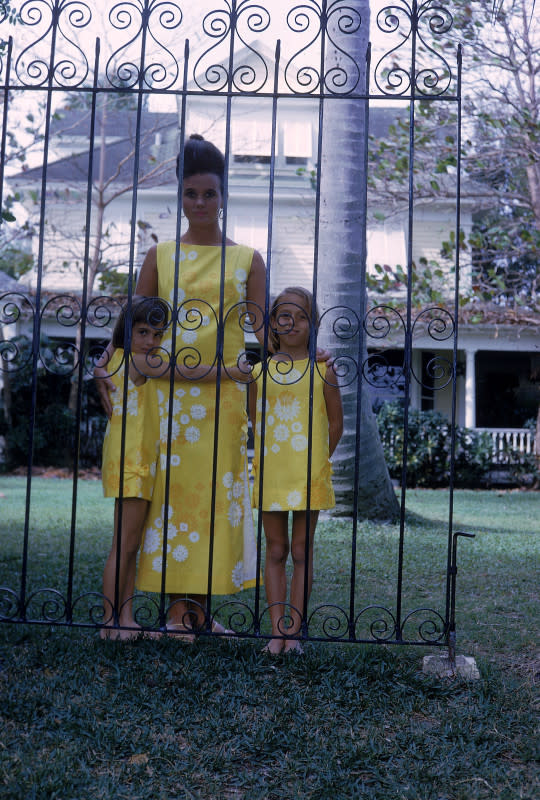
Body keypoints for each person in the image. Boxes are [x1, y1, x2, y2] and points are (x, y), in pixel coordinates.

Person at [96, 134, 266, 639]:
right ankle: (168, 613)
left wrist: (313, 354)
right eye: (190, 194)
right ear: (180, 196)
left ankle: (192, 613)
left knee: (212, 504)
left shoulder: (248, 261)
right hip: (163, 403)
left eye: (208, 194)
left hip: (224, 402)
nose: (199, 203)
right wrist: (108, 362)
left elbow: (268, 333)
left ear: (223, 196)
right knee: (169, 503)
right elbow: (133, 326)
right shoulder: (161, 256)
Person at [249, 287, 343, 654]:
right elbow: (253, 419)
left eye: (301, 316)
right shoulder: (259, 372)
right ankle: (277, 632)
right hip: (272, 472)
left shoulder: (324, 370)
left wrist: (317, 461)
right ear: (272, 322)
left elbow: (336, 425)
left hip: (309, 475)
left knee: (302, 550)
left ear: (312, 323)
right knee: (276, 549)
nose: (292, 323)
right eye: (284, 316)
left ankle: (296, 632)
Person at [100, 295, 168, 639]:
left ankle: (124, 618)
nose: (151, 341)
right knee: (125, 544)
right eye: (143, 332)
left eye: (158, 334)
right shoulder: (141, 362)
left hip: (127, 457)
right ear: (127, 330)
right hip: (133, 460)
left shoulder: (115, 356)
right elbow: (187, 371)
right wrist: (231, 370)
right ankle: (110, 623)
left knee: (128, 542)